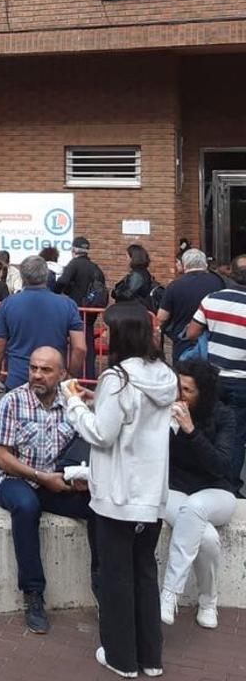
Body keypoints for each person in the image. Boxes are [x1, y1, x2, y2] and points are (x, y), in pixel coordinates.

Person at [65, 302, 175, 678]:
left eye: (106, 329)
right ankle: (150, 657)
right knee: (145, 574)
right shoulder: (164, 375)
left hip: (116, 495)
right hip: (151, 495)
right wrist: (97, 403)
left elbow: (101, 433)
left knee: (115, 577)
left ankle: (121, 658)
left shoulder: (117, 378)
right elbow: (135, 419)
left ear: (122, 332)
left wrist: (74, 405)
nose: (101, 334)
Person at [0, 346, 100, 634]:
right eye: (33, 368)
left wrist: (77, 477)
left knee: (98, 506)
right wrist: (39, 476)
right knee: (26, 507)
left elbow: (103, 429)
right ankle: (33, 594)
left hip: (57, 481)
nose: (37, 375)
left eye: (46, 370)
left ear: (62, 374)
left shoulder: (73, 404)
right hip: (16, 479)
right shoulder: (13, 401)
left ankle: (104, 588)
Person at [157, 358, 235, 630]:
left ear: (204, 392)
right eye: (178, 387)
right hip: (175, 492)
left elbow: (222, 465)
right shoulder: (168, 410)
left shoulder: (223, 416)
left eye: (187, 390)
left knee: (196, 506)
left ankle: (170, 593)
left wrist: (191, 432)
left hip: (217, 494)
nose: (180, 395)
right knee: (208, 538)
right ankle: (208, 601)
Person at [187, 254, 246, 493]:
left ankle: (206, 480)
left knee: (208, 427)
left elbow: (191, 333)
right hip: (243, 381)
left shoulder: (212, 299)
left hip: (215, 378)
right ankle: (229, 486)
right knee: (237, 434)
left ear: (230, 273)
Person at [0, 255, 85, 391]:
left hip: (18, 377)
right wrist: (70, 375)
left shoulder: (7, 304)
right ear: (46, 276)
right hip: (53, 378)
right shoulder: (68, 304)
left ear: (22, 277)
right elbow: (80, 348)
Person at [159, 248, 224, 364]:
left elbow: (162, 317)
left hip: (183, 341)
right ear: (205, 264)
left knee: (184, 377)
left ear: (185, 265)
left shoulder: (174, 286)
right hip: (213, 341)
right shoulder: (218, 283)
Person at [54, 236, 105, 380]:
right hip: (90, 312)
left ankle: (73, 377)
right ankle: (88, 377)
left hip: (75, 311)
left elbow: (62, 281)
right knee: (88, 344)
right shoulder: (95, 268)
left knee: (74, 345)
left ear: (74, 250)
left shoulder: (74, 264)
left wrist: (54, 293)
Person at [112, 243, 157, 308]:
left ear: (132, 258)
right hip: (137, 309)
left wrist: (116, 291)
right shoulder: (142, 272)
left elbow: (128, 293)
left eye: (127, 256)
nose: (125, 259)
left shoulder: (137, 275)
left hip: (133, 310)